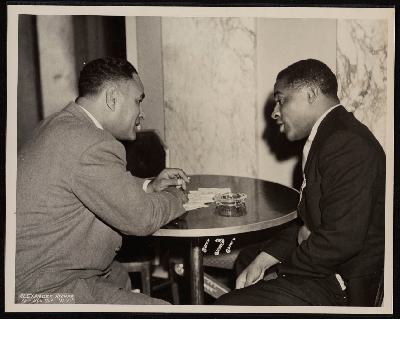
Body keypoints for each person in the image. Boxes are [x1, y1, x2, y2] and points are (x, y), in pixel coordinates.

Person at [16, 57, 190, 305]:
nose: (141, 114)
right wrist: (177, 197)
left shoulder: (59, 125)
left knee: (118, 275)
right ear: (112, 98)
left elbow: (98, 184)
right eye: (138, 101)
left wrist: (149, 186)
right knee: (166, 315)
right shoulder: (94, 143)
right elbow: (141, 219)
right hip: (43, 292)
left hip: (36, 274)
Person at [215, 59, 385, 307]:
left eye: (281, 100)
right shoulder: (332, 134)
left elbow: (341, 240)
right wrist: (264, 259)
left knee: (223, 308)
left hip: (342, 285)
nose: (274, 112)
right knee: (249, 259)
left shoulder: (345, 143)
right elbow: (309, 223)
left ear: (311, 94)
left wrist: (281, 269)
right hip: (329, 268)